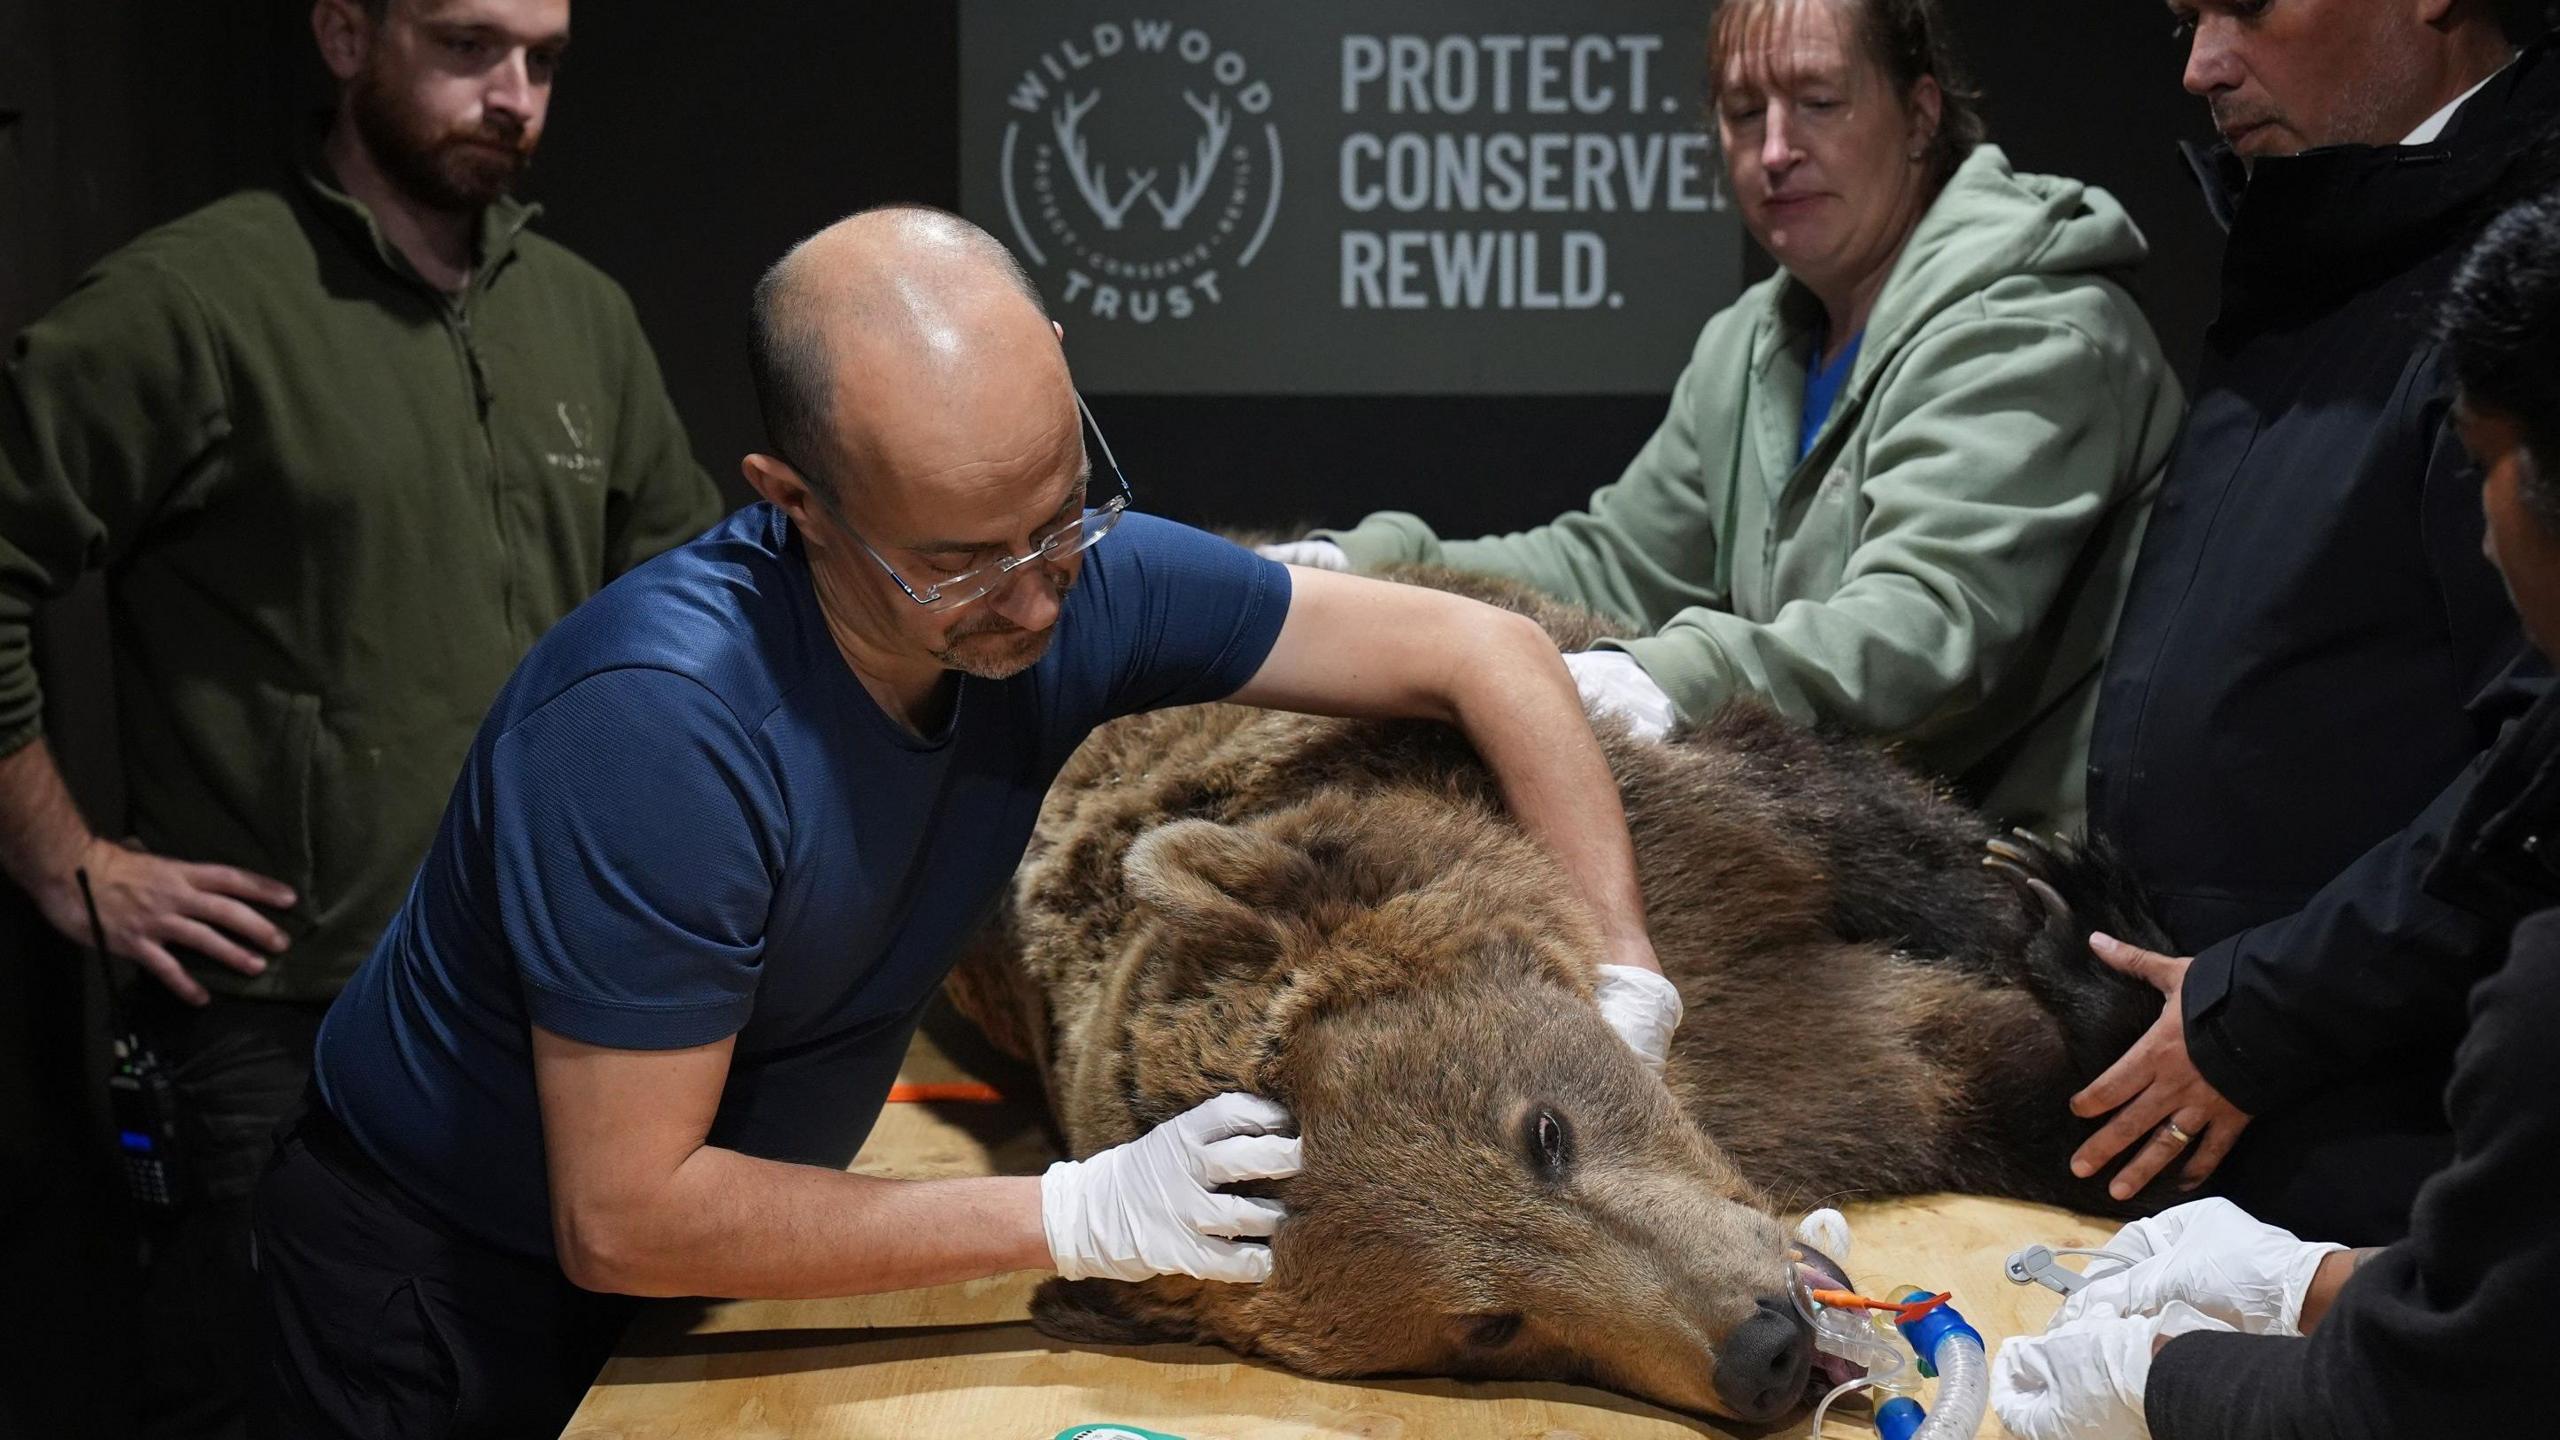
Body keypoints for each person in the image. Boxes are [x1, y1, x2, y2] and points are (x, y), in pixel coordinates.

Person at [248, 205, 1688, 1438]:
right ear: (795, 502)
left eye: (1063, 516)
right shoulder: (659, 734)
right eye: (959, 564)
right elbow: (623, 1214)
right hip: (443, 1285)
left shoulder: (1067, 581)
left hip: (706, 1264)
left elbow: (1481, 654)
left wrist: (1618, 981)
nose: (1038, 601)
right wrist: (1073, 1215)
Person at [0, 1, 722, 1434]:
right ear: (344, 36)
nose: (512, 95)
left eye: (543, 60)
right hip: (287, 1021)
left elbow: (690, 621)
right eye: (467, 47)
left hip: (550, 1007)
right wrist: (61, 856)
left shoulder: (578, 315)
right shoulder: (195, 302)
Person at [1262, 0, 2181, 834]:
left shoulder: (2034, 333)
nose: (1776, 148)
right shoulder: (1754, 339)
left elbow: (1922, 628)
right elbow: (1613, 562)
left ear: (1922, 115)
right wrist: (1370, 571)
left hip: (2043, 897)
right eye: (1745, 114)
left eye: (1818, 100)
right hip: (1873, 847)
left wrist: (1675, 673)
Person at [1989, 167, 2560, 1440]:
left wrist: (2153, 1386)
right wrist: (2310, 1284)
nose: (2477, 536)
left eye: (2480, 475)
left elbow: (2436, 1403)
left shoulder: (2543, 1009)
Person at [2057, 5, 2559, 1245]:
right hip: (2234, 1110)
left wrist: (2265, 1008)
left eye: (2251, 5)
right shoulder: (2314, 230)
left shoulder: (2526, 289)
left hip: (2404, 1150)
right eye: (2180, 14)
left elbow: (2545, 759)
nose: (2197, 64)